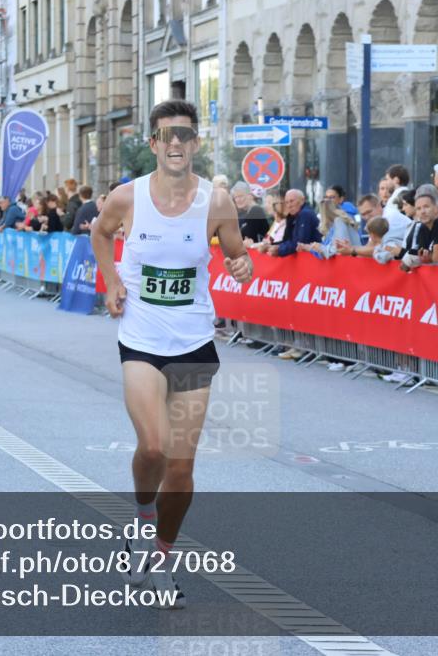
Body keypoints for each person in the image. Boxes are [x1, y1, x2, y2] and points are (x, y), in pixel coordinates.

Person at [90, 99, 253, 609]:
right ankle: (141, 521)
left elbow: (234, 252)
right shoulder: (126, 197)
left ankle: (161, 558)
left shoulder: (217, 201)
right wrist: (112, 280)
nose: (177, 144)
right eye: (168, 136)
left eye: (186, 135)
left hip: (192, 340)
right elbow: (99, 233)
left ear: (196, 143)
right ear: (154, 144)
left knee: (181, 468)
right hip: (140, 337)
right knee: (154, 449)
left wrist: (242, 265)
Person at [268, 189, 321, 257]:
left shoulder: (305, 214)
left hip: (312, 260)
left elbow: (300, 242)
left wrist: (279, 249)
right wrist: (273, 246)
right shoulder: (293, 216)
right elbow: (288, 239)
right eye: (287, 202)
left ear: (302, 200)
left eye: (292, 201)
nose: (289, 205)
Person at [230, 181, 269, 246]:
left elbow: (247, 235)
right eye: (235, 197)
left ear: (250, 196)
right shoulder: (245, 212)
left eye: (240, 196)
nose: (237, 200)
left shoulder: (256, 210)